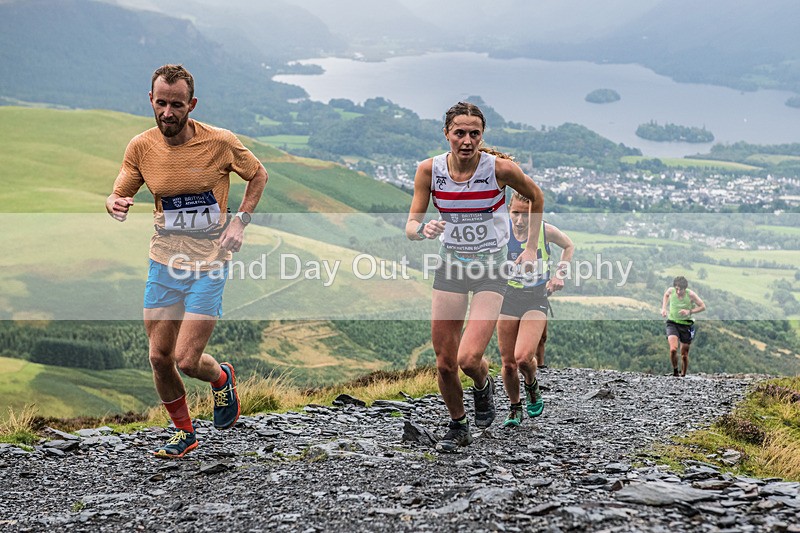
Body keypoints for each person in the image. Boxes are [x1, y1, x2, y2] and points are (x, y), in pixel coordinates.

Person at [105, 64, 268, 458]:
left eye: (176, 105)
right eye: (160, 103)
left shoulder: (219, 142)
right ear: (151, 100)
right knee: (160, 358)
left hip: (210, 262)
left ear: (191, 104)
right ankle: (184, 432)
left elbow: (258, 175)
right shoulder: (141, 146)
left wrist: (240, 222)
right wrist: (114, 202)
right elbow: (121, 188)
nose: (167, 113)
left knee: (187, 359)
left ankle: (221, 376)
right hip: (164, 261)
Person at [406, 102, 543, 452]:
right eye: (460, 133)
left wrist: (529, 248)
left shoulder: (499, 169)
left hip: (490, 271)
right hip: (451, 267)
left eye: (474, 134)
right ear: (446, 134)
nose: (467, 141)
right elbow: (410, 226)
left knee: (468, 360)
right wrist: (424, 229)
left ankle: (483, 385)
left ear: (482, 136)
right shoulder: (429, 170)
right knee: (445, 363)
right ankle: (459, 424)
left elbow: (536, 196)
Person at [498, 191, 574, 427]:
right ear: (509, 209)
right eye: (515, 214)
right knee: (508, 363)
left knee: (522, 358)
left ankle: (532, 384)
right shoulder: (501, 232)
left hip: (535, 298)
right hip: (507, 298)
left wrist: (559, 275)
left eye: (527, 216)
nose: (520, 221)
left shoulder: (545, 231)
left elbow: (569, 245)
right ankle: (514, 407)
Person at [661, 275, 706, 377]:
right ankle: (675, 371)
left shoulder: (690, 295)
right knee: (673, 349)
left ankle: (683, 375)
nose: (678, 291)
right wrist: (664, 308)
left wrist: (689, 311)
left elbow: (703, 306)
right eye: (676, 289)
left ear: (684, 289)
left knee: (684, 355)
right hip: (672, 323)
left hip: (686, 326)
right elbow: (666, 295)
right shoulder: (671, 291)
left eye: (680, 290)